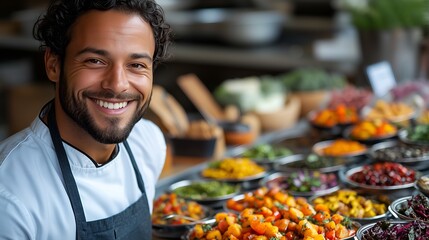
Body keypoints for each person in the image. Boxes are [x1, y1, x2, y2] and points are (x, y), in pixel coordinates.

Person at [0, 0, 171, 239]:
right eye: (95, 61)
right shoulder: (9, 194)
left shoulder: (148, 142)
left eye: (136, 65)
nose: (117, 84)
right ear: (53, 64)